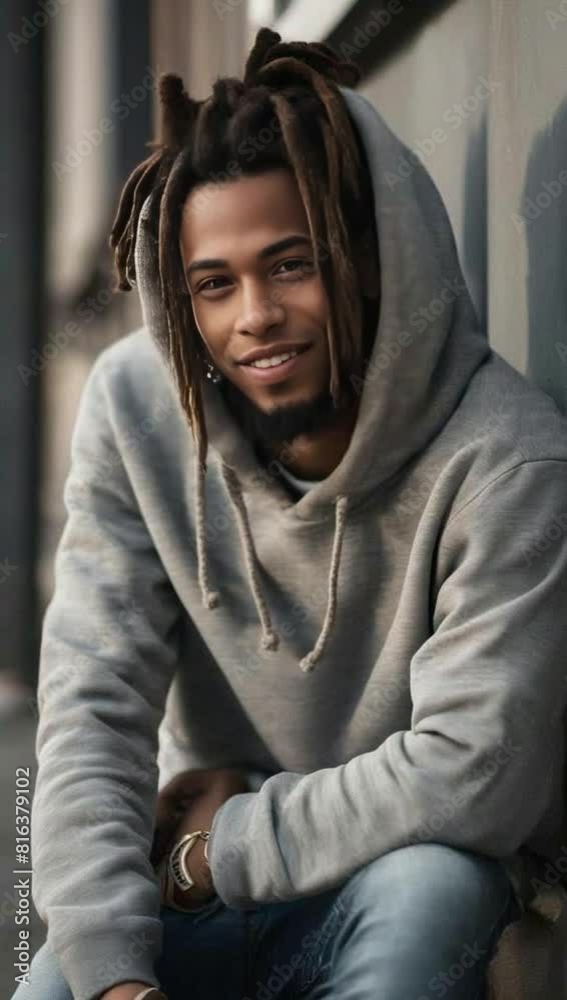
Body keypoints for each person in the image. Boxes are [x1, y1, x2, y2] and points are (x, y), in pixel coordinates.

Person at [14, 25, 567, 1000]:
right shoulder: (138, 409)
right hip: (207, 895)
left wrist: (209, 850)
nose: (253, 317)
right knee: (60, 978)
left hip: (397, 864)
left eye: (291, 264)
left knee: (433, 886)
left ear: (366, 256)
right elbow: (91, 706)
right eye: (213, 285)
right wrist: (113, 976)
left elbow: (476, 776)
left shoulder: (508, 458)